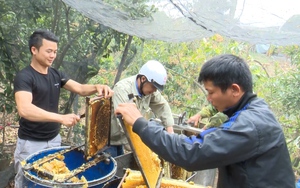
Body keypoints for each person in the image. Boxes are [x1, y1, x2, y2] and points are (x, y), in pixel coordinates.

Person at [115, 54, 295, 187]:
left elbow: (192, 152)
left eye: (211, 92)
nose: (208, 99)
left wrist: (140, 123)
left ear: (234, 89)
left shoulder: (251, 125)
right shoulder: (255, 112)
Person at [13, 29, 114, 187]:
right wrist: (61, 118)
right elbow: (25, 109)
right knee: (28, 182)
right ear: (34, 50)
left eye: (55, 51)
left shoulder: (55, 74)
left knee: (51, 182)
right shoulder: (25, 77)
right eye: (49, 51)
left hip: (53, 140)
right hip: (30, 143)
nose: (53, 55)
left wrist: (97, 87)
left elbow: (80, 89)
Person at [106, 60, 174, 157]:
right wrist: (146, 144)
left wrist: (170, 130)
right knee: (114, 168)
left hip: (123, 140)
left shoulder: (150, 91)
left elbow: (162, 106)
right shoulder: (122, 89)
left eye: (157, 88)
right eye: (153, 87)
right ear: (143, 79)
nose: (154, 90)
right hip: (109, 142)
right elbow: (124, 124)